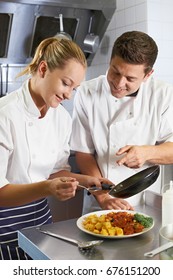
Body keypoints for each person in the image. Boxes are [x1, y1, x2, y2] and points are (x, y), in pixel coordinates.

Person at [0, 37, 107, 260]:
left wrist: (87, 181)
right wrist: (48, 188)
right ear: (43, 68)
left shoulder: (61, 118)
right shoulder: (5, 115)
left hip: (41, 220)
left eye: (74, 88)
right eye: (66, 83)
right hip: (5, 225)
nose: (69, 94)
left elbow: (55, 172)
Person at [70, 30, 173, 214]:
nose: (118, 83)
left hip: (144, 202)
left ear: (148, 75)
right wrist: (103, 196)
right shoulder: (87, 92)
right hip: (99, 201)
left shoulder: (162, 95)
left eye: (130, 79)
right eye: (115, 72)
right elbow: (83, 153)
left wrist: (147, 152)